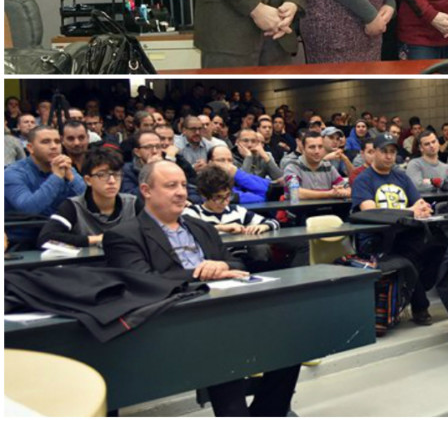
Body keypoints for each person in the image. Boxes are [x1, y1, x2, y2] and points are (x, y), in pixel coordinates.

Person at [103, 160, 300, 416]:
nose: (181, 192)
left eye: (184, 185)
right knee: (222, 353)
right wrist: (201, 273)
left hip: (223, 312)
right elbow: (143, 280)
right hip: (172, 322)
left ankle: (265, 413)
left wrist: (219, 265)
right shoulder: (124, 234)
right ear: (146, 190)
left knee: (291, 339)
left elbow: (234, 263)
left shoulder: (202, 227)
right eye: (171, 185)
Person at [351, 133, 435, 325]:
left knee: (438, 248)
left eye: (392, 152)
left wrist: (422, 209)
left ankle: (415, 302)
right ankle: (420, 306)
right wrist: (409, 211)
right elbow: (371, 212)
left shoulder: (401, 176)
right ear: (374, 153)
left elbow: (419, 203)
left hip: (404, 234)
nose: (389, 156)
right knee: (409, 256)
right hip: (376, 238)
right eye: (384, 151)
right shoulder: (364, 180)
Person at [37, 148, 141, 248]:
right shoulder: (73, 206)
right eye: (102, 175)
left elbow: (153, 232)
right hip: (86, 264)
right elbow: (46, 238)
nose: (112, 181)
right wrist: (97, 239)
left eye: (116, 174)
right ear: (88, 180)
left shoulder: (133, 203)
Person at [4, 126, 86, 224]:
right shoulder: (12, 173)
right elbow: (29, 209)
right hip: (25, 234)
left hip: (61, 231)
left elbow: (90, 202)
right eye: (46, 142)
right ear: (30, 148)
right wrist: (56, 177)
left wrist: (73, 178)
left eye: (57, 141)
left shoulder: (66, 168)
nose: (54, 146)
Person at [184, 165, 278, 235]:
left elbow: (274, 222)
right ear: (204, 195)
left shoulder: (237, 210)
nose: (225, 202)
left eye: (228, 196)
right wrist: (222, 228)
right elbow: (187, 230)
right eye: (218, 197)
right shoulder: (193, 212)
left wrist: (264, 226)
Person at [282, 131, 351, 200]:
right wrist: (329, 193)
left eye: (320, 147)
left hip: (327, 209)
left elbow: (348, 188)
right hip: (300, 210)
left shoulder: (328, 166)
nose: (317, 151)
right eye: (312, 147)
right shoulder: (293, 166)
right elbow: (295, 193)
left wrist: (343, 191)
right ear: (303, 148)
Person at [406, 130, 448, 195]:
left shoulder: (447, 168)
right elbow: (417, 186)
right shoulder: (414, 164)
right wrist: (444, 185)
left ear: (438, 143)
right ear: (421, 148)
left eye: (434, 142)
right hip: (424, 203)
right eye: (427, 144)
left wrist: (433, 181)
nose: (432, 145)